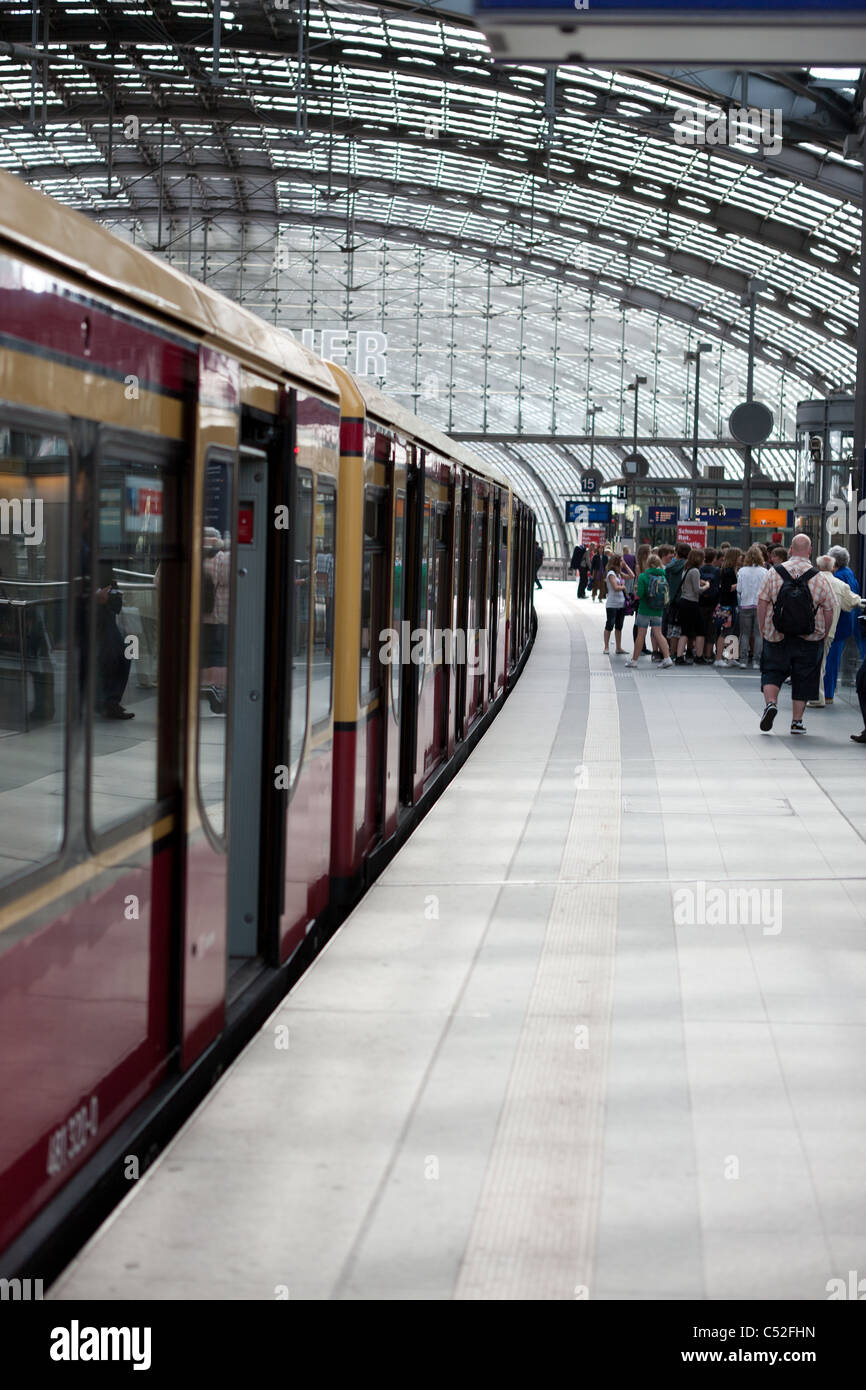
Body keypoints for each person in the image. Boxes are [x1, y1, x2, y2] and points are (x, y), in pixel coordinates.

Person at [756, 533, 835, 735]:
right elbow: (829, 609)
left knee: (772, 670)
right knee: (804, 675)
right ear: (809, 551)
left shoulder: (774, 573)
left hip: (776, 633)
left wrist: (762, 628)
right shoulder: (819, 577)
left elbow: (762, 601)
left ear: (790, 550)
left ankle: (771, 704)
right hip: (809, 637)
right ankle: (797, 722)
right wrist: (823, 634)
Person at [806, 554, 863, 708]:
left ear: (818, 567)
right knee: (822, 663)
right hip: (829, 630)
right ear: (833, 567)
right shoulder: (840, 584)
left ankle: (814, 696)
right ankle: (817, 696)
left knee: (809, 662)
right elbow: (853, 602)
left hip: (808, 629)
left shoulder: (809, 582)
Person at [822, 545, 861, 702]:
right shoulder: (849, 573)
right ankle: (829, 691)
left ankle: (828, 693)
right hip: (847, 623)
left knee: (830, 660)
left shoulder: (838, 577)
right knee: (834, 659)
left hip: (837, 623)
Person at [625, 552, 673, 668]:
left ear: (648, 564)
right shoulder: (663, 576)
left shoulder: (643, 576)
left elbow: (640, 595)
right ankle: (667, 658)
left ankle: (634, 661)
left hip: (644, 610)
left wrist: (636, 590)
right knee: (658, 634)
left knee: (641, 635)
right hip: (658, 610)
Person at [674, 548, 709, 664]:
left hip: (684, 602)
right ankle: (699, 656)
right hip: (691, 603)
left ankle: (679, 657)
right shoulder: (695, 571)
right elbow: (697, 590)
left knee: (685, 631)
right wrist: (707, 586)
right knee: (701, 630)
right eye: (703, 558)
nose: (704, 560)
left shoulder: (686, 569)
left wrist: (699, 582)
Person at [736, 544, 767, 668]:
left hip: (745, 605)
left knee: (744, 633)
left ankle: (743, 660)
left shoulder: (742, 571)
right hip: (760, 605)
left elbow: (739, 589)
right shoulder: (764, 571)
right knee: (759, 634)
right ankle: (756, 661)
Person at [712, 547, 741, 664]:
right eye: (739, 556)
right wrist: (740, 583)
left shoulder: (727, 570)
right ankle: (719, 658)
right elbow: (727, 588)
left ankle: (731, 657)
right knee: (725, 632)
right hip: (727, 605)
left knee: (731, 631)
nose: (741, 558)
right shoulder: (728, 572)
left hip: (727, 604)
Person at [603, 553, 633, 655]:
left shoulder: (619, 573)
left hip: (621, 604)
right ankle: (606, 647)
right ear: (616, 561)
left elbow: (632, 576)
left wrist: (625, 566)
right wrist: (623, 587)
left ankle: (618, 647)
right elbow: (615, 588)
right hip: (612, 604)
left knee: (619, 626)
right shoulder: (611, 574)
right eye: (621, 561)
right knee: (610, 625)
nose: (622, 562)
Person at [697, 546, 721, 664]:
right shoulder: (717, 571)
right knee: (711, 629)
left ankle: (698, 652)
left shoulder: (699, 569)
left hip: (700, 601)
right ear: (714, 558)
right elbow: (717, 588)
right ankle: (708, 654)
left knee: (700, 628)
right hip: (712, 603)